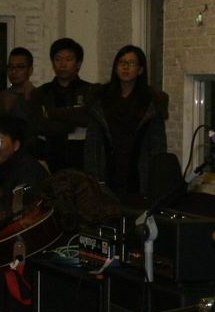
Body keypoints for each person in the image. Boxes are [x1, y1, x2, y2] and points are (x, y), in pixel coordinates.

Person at [84, 45, 168, 198]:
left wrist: (156, 178)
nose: (125, 67)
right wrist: (93, 177)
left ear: (140, 70)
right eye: (121, 62)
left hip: (138, 171)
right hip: (108, 168)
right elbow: (92, 142)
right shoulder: (101, 98)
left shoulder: (151, 101)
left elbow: (158, 145)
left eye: (131, 63)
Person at [34, 36, 98, 171]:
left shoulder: (90, 91)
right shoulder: (42, 92)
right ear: (52, 63)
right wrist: (70, 121)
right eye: (58, 59)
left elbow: (88, 120)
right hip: (49, 161)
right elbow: (38, 126)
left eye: (68, 59)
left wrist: (51, 114)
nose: (62, 64)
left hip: (82, 161)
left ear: (78, 64)